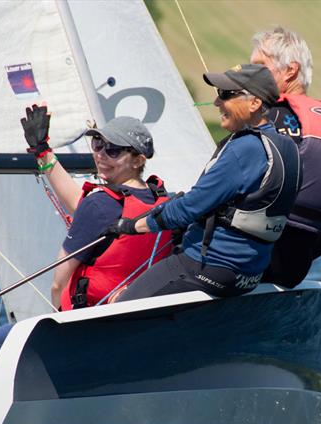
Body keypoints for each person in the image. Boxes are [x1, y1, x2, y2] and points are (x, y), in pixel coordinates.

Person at [112, 64, 302, 302]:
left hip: (208, 266)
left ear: (254, 103)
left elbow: (185, 211)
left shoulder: (245, 149)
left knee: (121, 304)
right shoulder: (289, 148)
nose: (217, 103)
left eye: (226, 95)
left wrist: (128, 227)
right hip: (249, 275)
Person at [21, 107, 173, 310]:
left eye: (113, 150)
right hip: (144, 312)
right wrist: (43, 152)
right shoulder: (162, 200)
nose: (101, 155)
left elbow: (58, 284)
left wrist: (57, 320)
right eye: (98, 144)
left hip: (91, 317)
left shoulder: (99, 205)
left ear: (138, 160)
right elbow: (84, 206)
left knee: (3, 336)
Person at [251, 26, 321, 287]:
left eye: (260, 66)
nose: (251, 75)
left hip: (247, 262)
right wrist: (301, 252)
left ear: (290, 70)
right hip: (293, 270)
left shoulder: (267, 118)